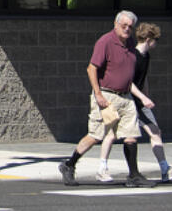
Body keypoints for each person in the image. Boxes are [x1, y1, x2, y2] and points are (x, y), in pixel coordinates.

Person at [57, 10, 150, 187]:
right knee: (96, 135)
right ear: (115, 24)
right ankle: (69, 165)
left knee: (131, 135)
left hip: (126, 96)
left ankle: (134, 175)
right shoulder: (105, 42)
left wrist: (141, 96)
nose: (127, 29)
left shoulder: (130, 43)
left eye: (130, 27)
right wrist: (98, 94)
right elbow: (91, 69)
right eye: (124, 26)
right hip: (107, 95)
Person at [90, 22, 172, 183]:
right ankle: (102, 168)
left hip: (138, 101)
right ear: (149, 39)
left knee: (153, 132)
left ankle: (164, 169)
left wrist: (146, 94)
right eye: (155, 40)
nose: (156, 43)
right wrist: (143, 97)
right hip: (128, 100)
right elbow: (129, 81)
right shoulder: (133, 55)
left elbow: (143, 78)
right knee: (111, 134)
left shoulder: (145, 56)